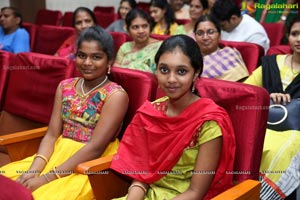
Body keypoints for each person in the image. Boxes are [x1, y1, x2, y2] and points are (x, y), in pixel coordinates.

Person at [0, 26, 129, 200]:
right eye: (82, 55)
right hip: (56, 152)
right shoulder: (65, 86)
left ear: (109, 62)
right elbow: (52, 135)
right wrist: (34, 170)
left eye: (96, 57)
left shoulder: (116, 95)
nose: (87, 62)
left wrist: (46, 178)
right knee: (10, 182)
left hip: (89, 164)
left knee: (43, 195)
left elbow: (95, 147)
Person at [111, 35, 236, 200]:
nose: (171, 79)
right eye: (164, 70)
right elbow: (141, 176)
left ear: (196, 73)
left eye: (181, 71)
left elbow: (196, 193)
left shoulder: (208, 122)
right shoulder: (151, 113)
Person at [244, 15, 300, 200]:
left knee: (282, 148)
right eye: (295, 34)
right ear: (288, 37)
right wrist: (266, 97)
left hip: (295, 132)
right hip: (262, 124)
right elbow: (247, 92)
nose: (299, 39)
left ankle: (266, 195)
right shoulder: (270, 63)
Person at [194, 15, 249, 82]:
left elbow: (243, 84)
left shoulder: (229, 54)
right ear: (195, 37)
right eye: (200, 33)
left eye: (210, 32)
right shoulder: (191, 59)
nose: (205, 37)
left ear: (219, 35)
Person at [114, 8, 162, 73]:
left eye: (144, 26)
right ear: (128, 30)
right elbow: (116, 70)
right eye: (135, 27)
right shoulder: (125, 47)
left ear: (150, 27)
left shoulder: (160, 47)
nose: (141, 31)